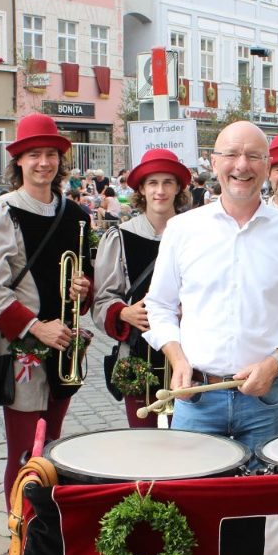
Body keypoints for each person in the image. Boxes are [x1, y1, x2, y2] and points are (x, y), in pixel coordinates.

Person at [144, 121, 278, 462]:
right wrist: (178, 359)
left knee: (261, 505)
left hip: (266, 399)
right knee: (192, 504)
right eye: (231, 154)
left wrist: (275, 363)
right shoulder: (183, 229)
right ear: (213, 163)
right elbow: (159, 306)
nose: (242, 165)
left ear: (267, 165)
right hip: (195, 395)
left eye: (253, 156)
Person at [0, 114, 92, 506]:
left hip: (64, 345)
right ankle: (20, 533)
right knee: (26, 451)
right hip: (24, 344)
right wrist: (35, 327)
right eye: (34, 155)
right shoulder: (1, 211)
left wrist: (83, 289)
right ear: (19, 161)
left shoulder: (75, 214)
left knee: (53, 444)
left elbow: (84, 279)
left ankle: (46, 529)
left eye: (51, 155)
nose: (44, 163)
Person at [94, 150, 191, 427]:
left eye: (167, 183)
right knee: (143, 440)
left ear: (178, 189)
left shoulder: (194, 233)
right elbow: (103, 299)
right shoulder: (120, 237)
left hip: (188, 352)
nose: (160, 191)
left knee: (187, 442)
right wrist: (123, 313)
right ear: (141, 189)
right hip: (139, 352)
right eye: (152, 183)